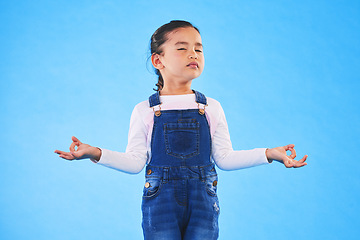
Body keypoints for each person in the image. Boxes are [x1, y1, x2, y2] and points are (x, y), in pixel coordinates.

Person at [55, 20, 308, 240]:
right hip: (160, 202)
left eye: (198, 48)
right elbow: (134, 163)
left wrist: (269, 154)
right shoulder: (144, 110)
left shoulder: (211, 107)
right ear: (158, 60)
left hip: (203, 202)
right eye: (182, 48)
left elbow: (225, 159)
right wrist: (94, 152)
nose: (193, 54)